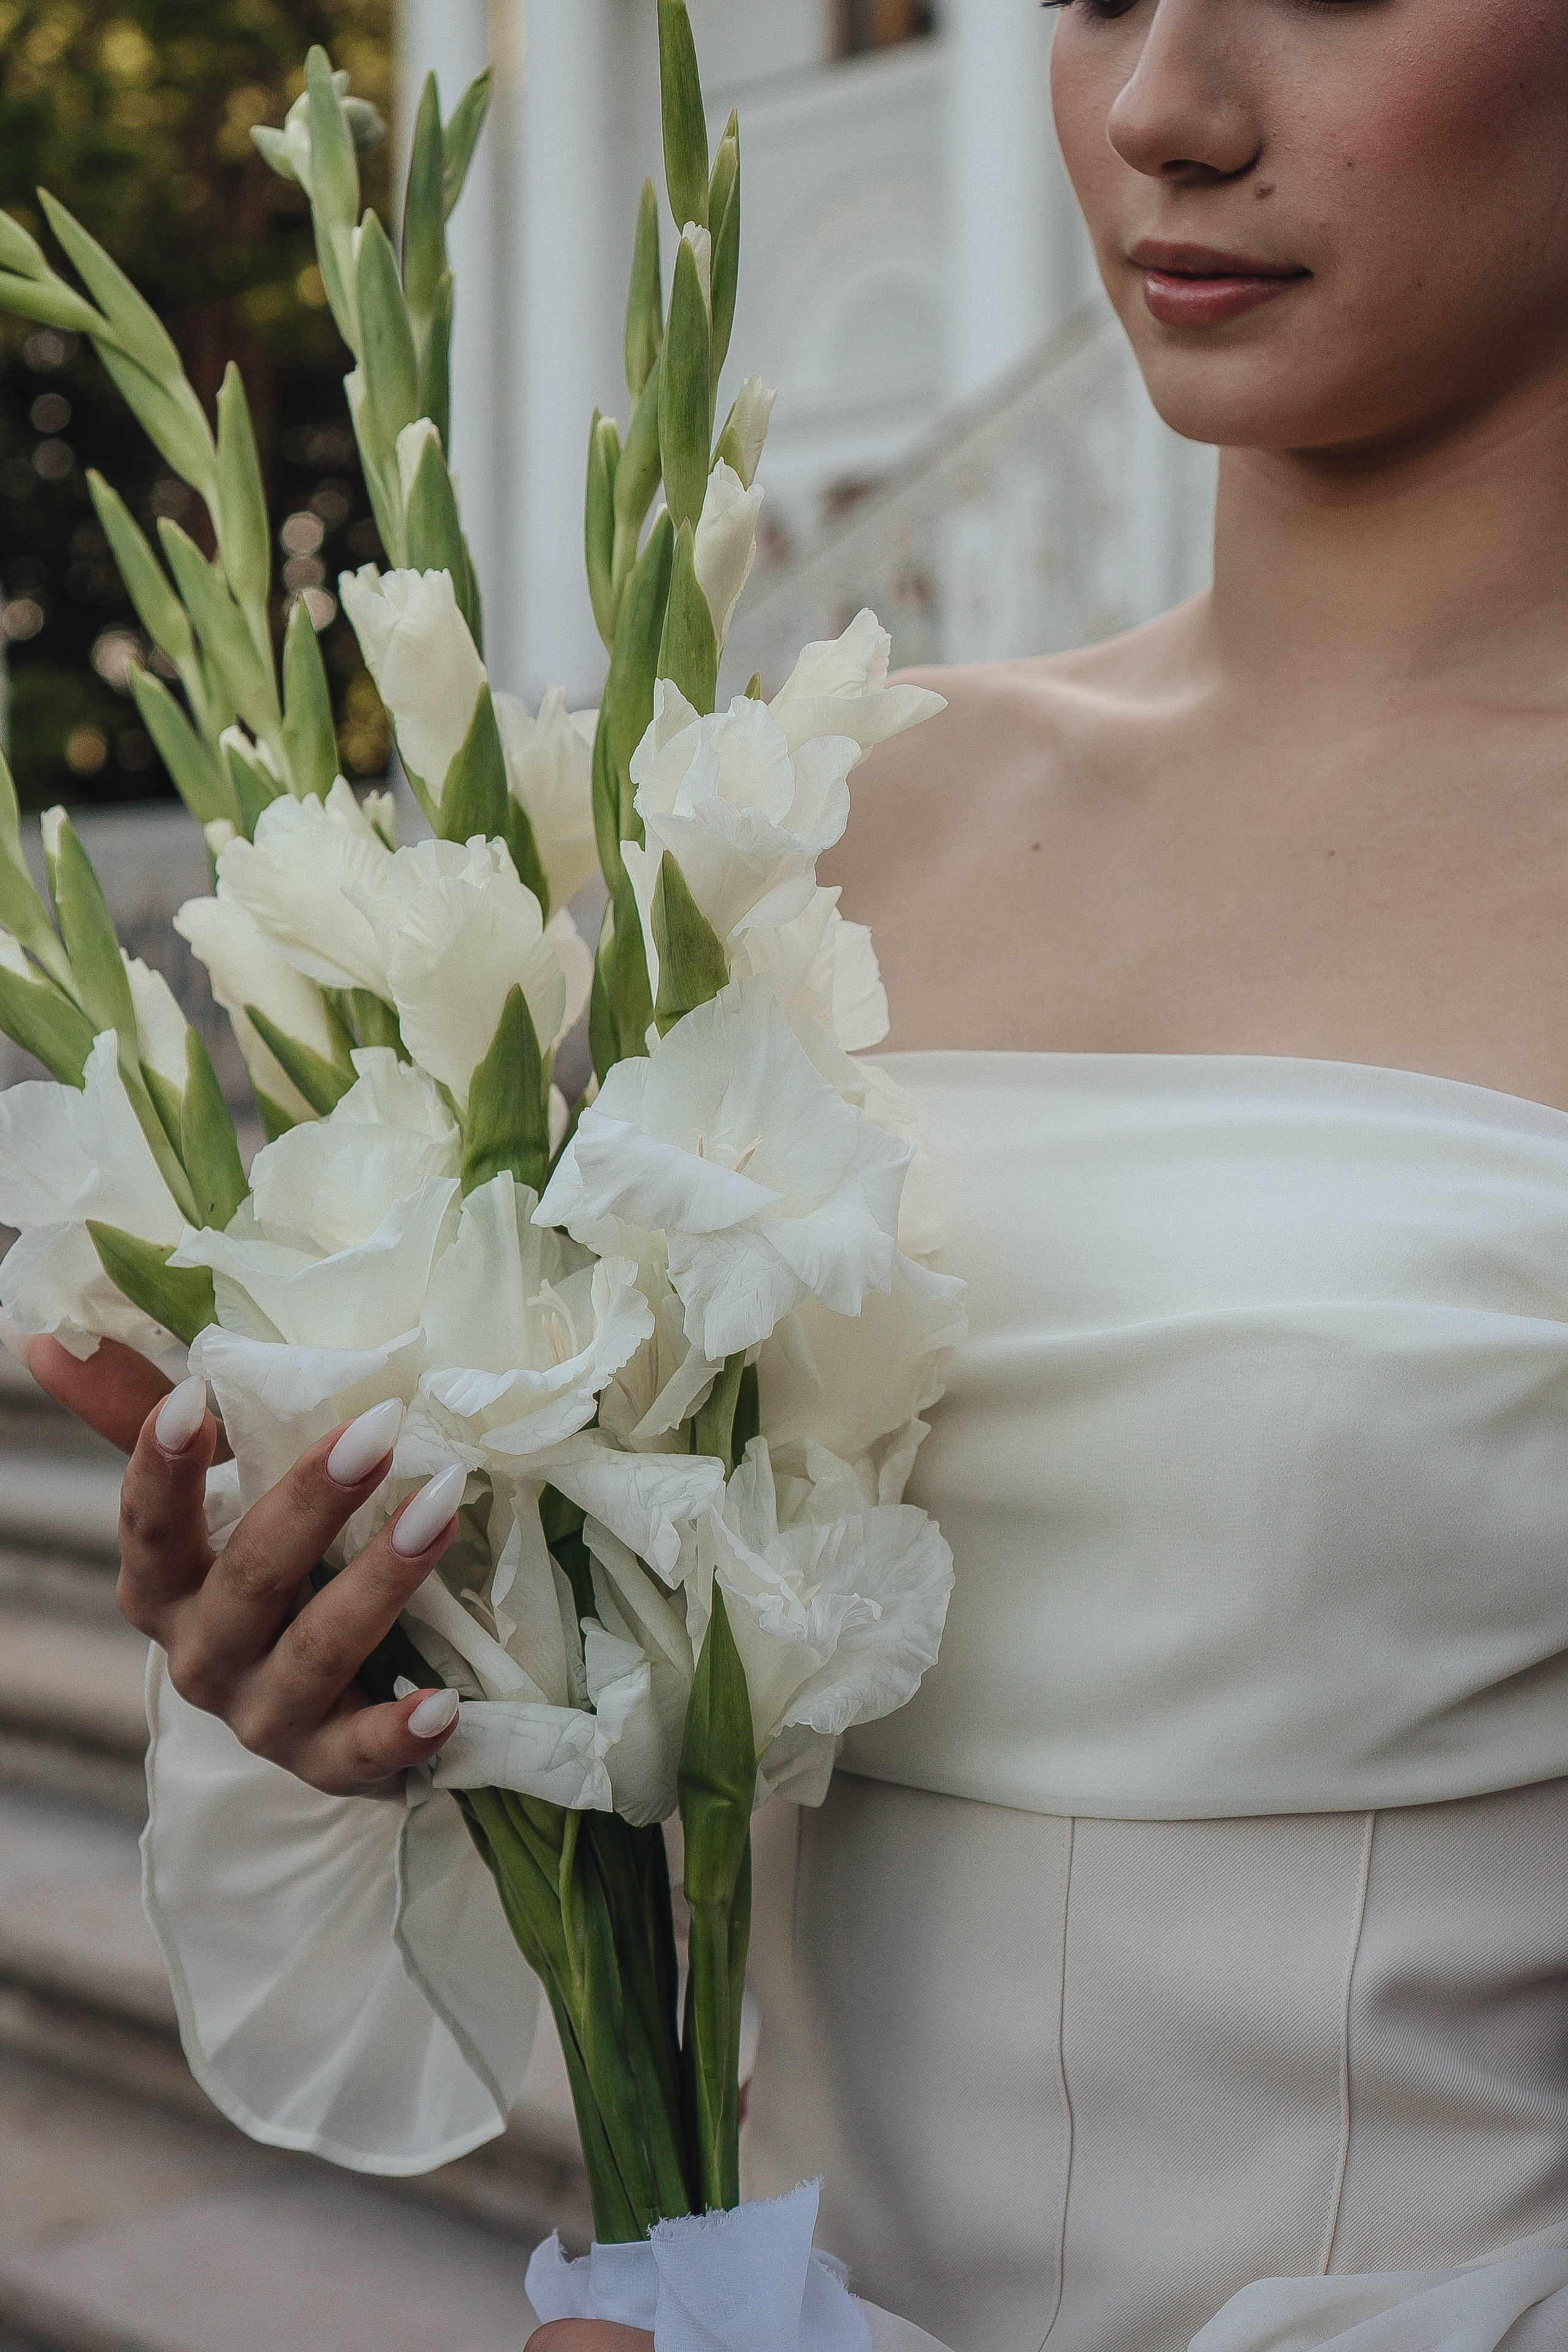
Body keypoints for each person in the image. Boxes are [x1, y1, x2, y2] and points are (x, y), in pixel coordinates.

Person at [15, 0, 1568, 2342]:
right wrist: (393, 1661)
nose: (1165, 107)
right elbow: (655, 1797)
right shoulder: (824, 817)